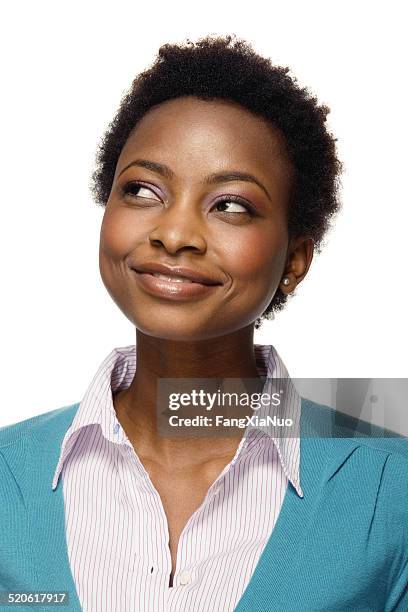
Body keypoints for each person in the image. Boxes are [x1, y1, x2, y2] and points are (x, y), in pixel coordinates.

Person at [0, 34, 407, 612]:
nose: (175, 234)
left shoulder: (391, 491)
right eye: (142, 190)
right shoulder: (6, 478)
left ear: (294, 261)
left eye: (231, 204)